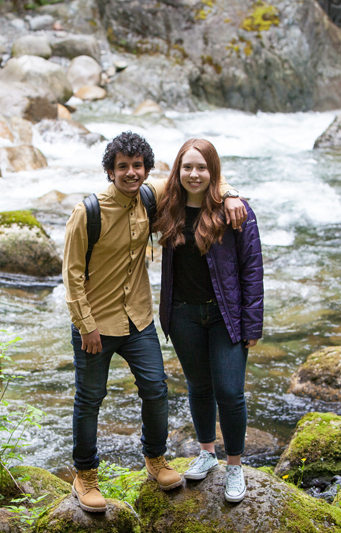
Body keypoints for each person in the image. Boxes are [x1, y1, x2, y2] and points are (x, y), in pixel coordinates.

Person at [62, 131, 247, 512]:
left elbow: (197, 173)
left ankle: (155, 460)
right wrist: (86, 325)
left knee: (156, 390)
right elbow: (72, 275)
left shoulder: (151, 195)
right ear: (110, 171)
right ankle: (85, 476)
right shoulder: (88, 212)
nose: (131, 173)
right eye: (122, 167)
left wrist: (229, 194)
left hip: (139, 318)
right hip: (96, 324)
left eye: (137, 166)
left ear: (146, 169)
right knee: (90, 400)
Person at [155, 138, 263, 503]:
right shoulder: (167, 204)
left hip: (225, 315)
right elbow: (130, 187)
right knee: (198, 387)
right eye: (187, 167)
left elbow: (252, 270)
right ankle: (206, 453)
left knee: (230, 393)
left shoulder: (235, 210)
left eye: (202, 167)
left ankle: (234, 465)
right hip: (183, 313)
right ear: (178, 170)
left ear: (213, 171)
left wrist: (252, 324)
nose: (194, 174)